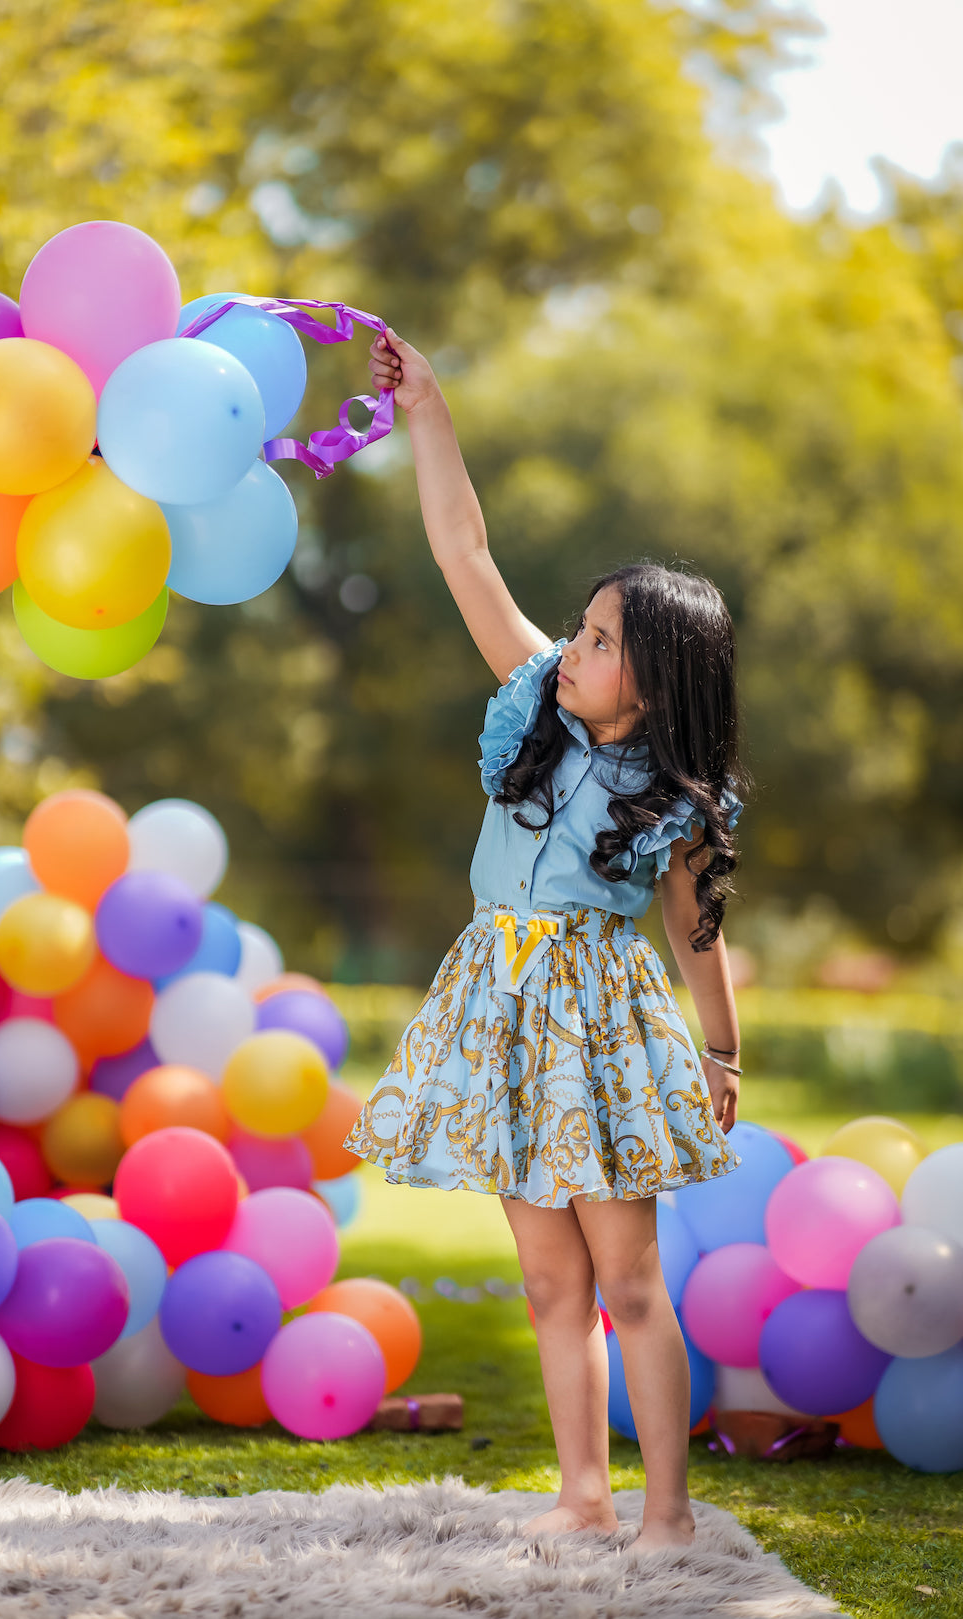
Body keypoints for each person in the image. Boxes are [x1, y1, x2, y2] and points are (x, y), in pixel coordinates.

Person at [343, 328, 752, 1554]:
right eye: (576, 629)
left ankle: (666, 1511)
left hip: (597, 1015)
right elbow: (465, 551)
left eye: (599, 640)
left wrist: (721, 1054)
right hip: (499, 1002)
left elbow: (696, 939)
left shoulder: (675, 795)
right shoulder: (533, 703)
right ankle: (583, 1492)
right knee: (547, 1281)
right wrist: (430, 411)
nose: (571, 647)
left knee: (629, 1278)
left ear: (660, 680)